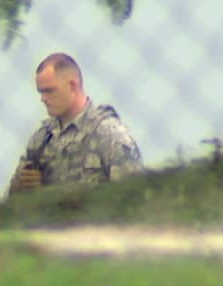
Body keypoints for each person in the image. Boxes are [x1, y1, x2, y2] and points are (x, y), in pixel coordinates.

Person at [9, 52, 144, 194]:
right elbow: (9, 200)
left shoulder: (109, 134)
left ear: (73, 85)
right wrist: (20, 187)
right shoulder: (41, 140)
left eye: (49, 91)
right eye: (41, 92)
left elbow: (134, 195)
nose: (43, 99)